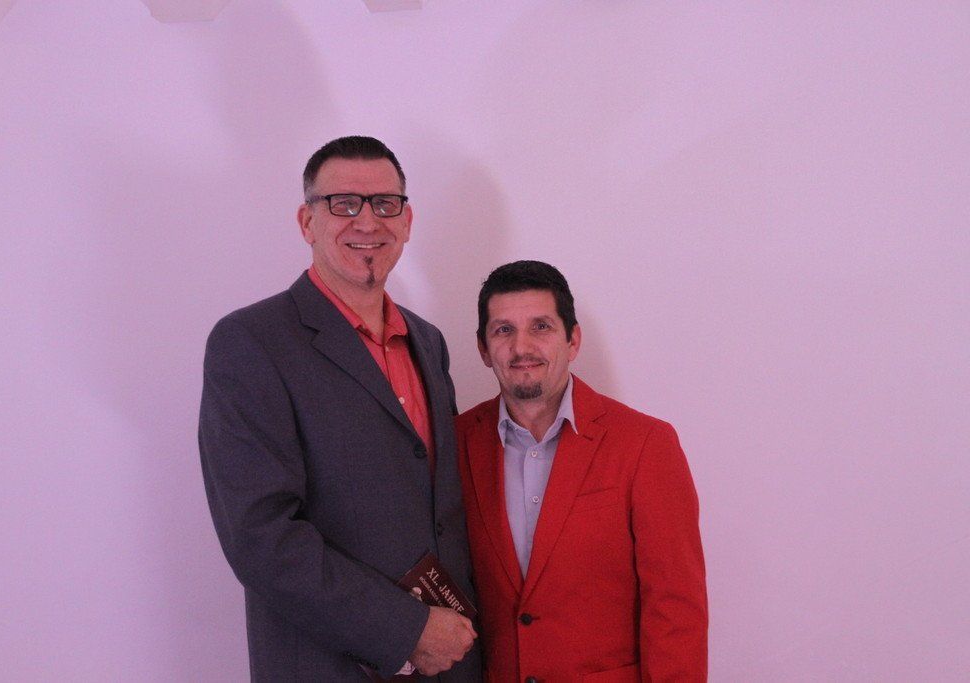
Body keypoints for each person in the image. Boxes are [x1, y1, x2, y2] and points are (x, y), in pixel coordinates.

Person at [199, 136, 480, 681]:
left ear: (407, 220)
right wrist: (407, 631)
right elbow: (261, 537)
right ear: (307, 222)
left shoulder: (428, 342)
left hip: (450, 663)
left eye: (384, 204)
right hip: (327, 666)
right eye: (344, 204)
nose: (367, 221)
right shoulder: (250, 342)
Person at [456, 260, 707, 682]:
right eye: (503, 330)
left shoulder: (645, 444)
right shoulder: (456, 442)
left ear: (572, 340)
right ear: (483, 348)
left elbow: (676, 610)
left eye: (540, 327)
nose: (521, 347)